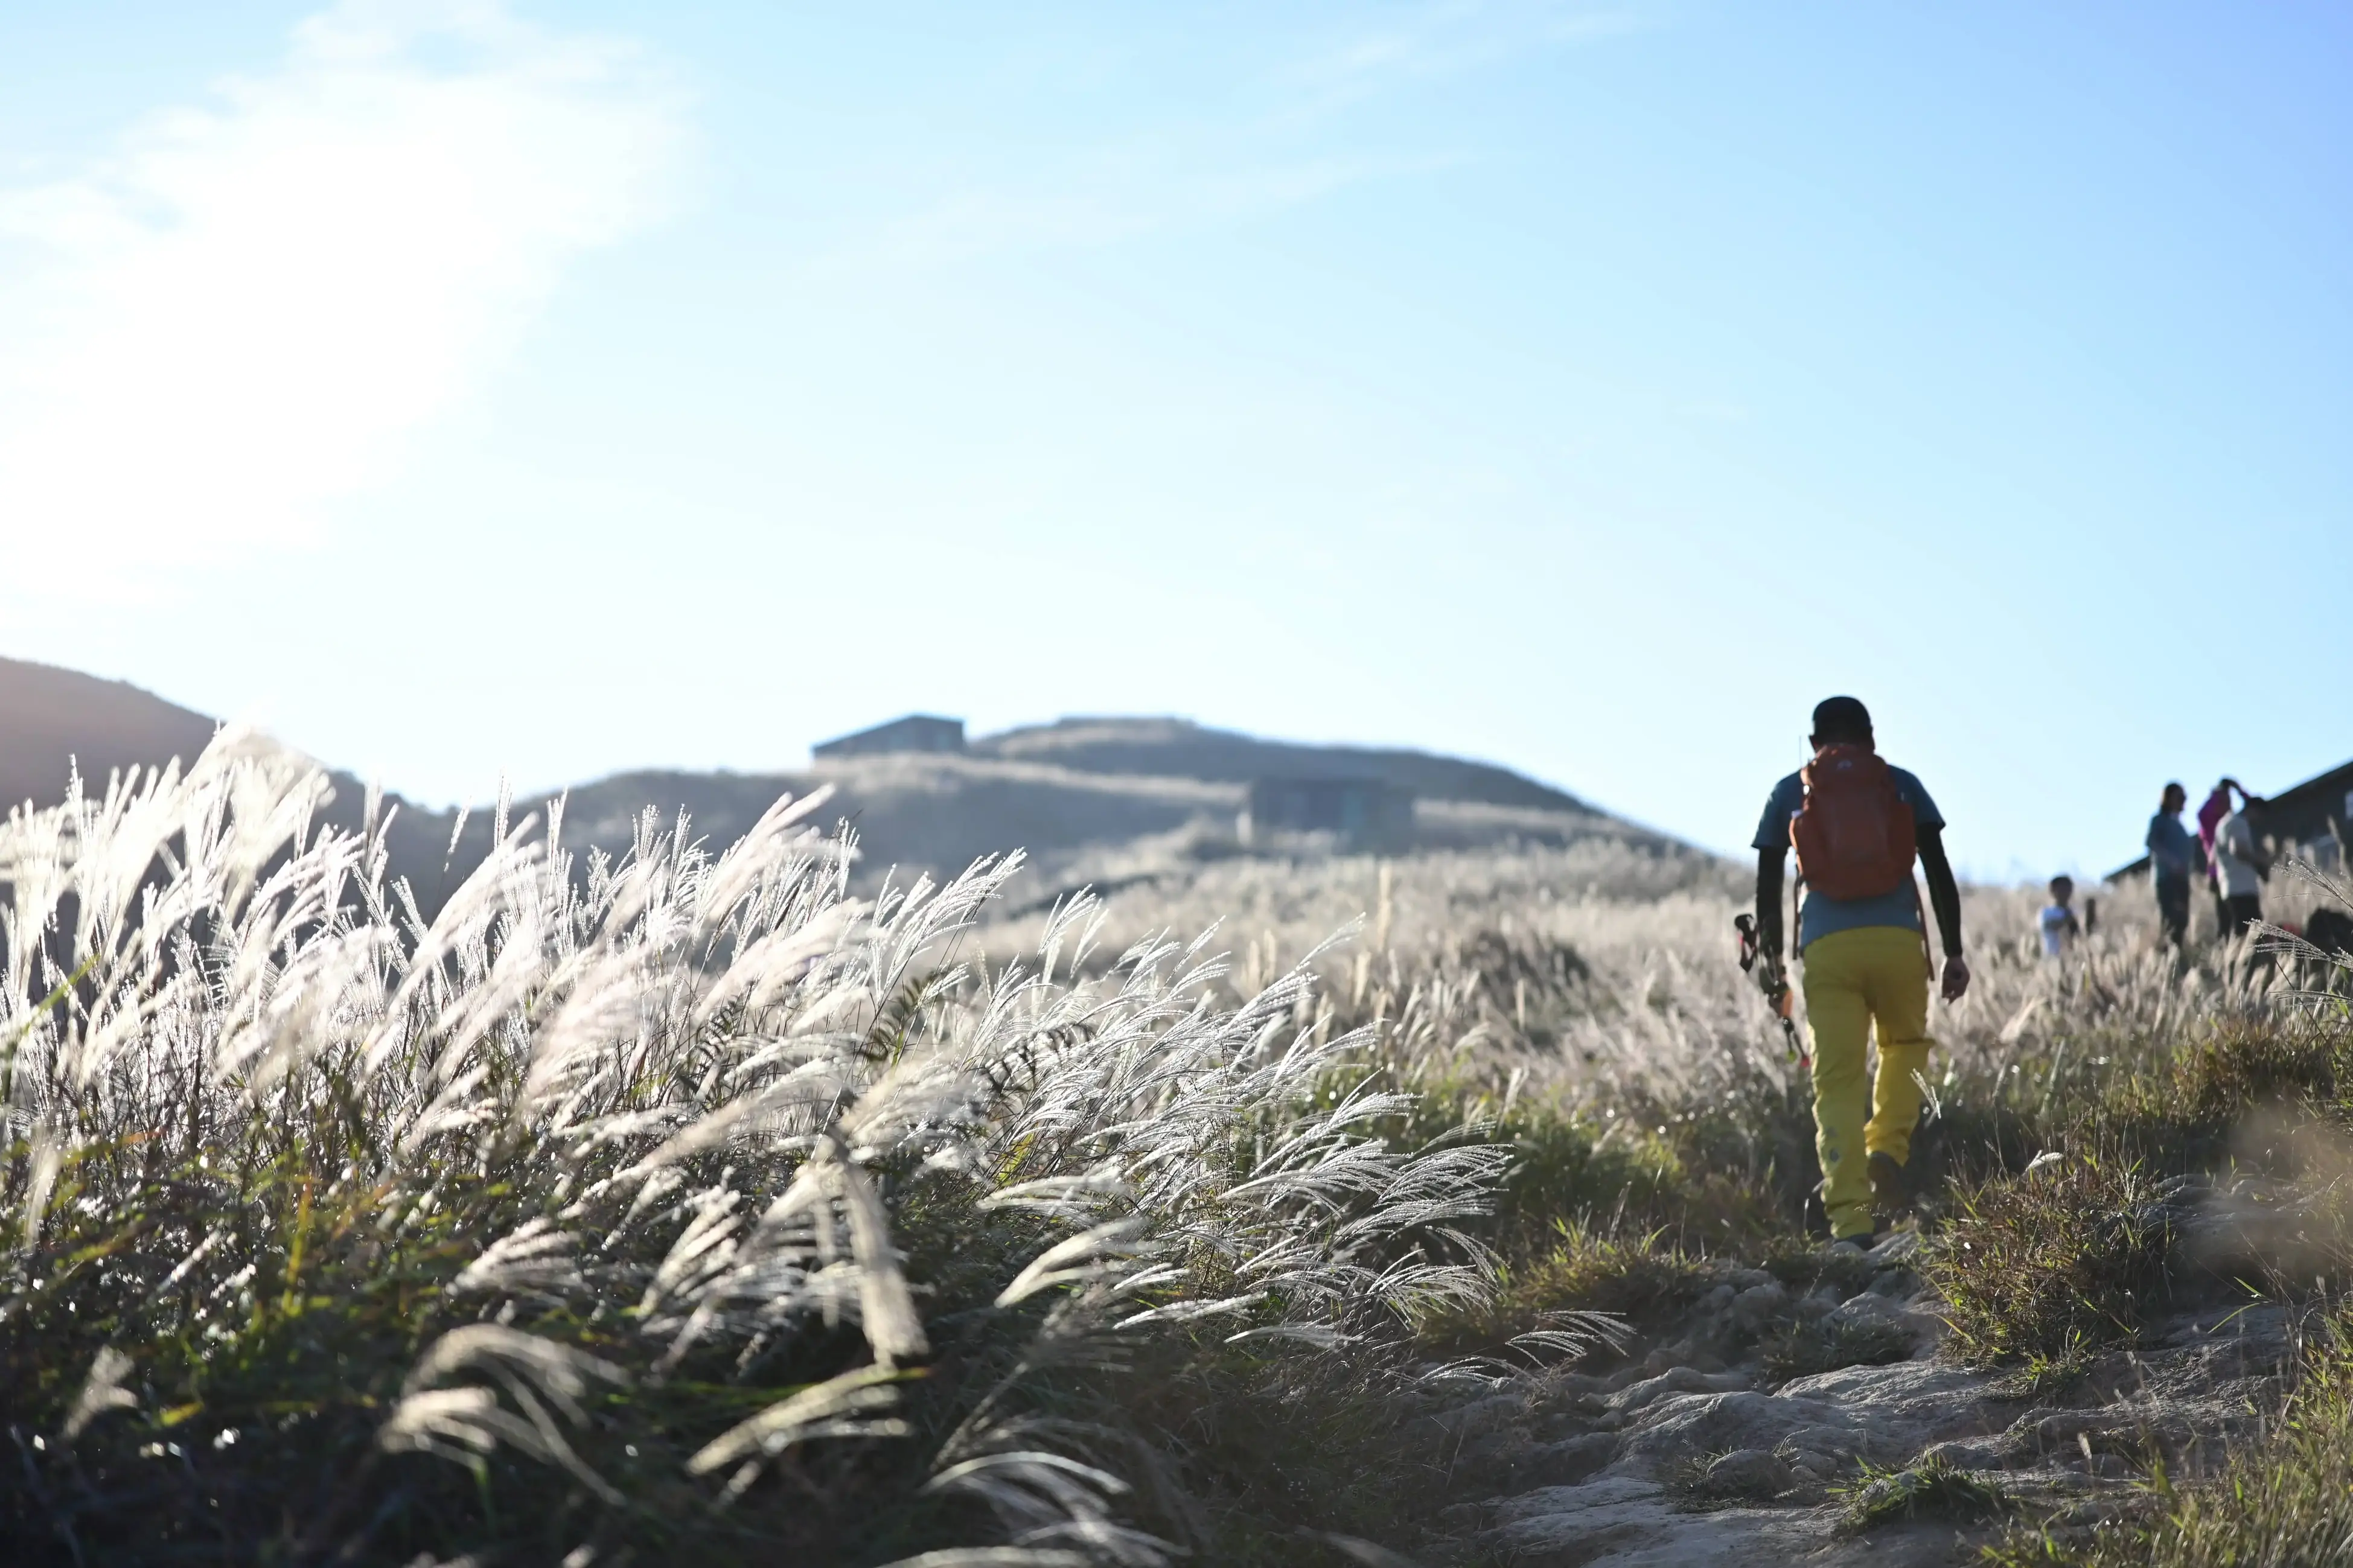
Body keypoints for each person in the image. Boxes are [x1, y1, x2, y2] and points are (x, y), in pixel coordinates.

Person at [1754, 696, 1968, 1251]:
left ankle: (1850, 1219)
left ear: (1812, 743)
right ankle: (1885, 1152)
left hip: (1827, 949)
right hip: (1898, 942)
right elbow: (1938, 870)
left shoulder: (1790, 791)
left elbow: (1767, 882)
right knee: (1903, 1047)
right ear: (1871, 737)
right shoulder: (1900, 784)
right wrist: (1954, 951)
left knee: (1838, 1080)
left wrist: (1773, 961)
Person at [2214, 787, 2268, 939]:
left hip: (2229, 887)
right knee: (2251, 936)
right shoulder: (2239, 823)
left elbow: (2213, 857)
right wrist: (2262, 861)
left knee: (2238, 935)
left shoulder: (2223, 823)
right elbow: (2239, 850)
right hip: (2242, 889)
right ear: (2254, 810)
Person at [2145, 783, 2195, 948]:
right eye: (2180, 797)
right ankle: (2168, 958)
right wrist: (2172, 862)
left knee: (2182, 921)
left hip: (2181, 879)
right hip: (2167, 880)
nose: (2184, 801)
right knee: (2172, 921)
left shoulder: (2179, 824)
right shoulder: (2160, 820)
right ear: (2169, 798)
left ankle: (2177, 956)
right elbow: (2152, 842)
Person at [2039, 876, 2081, 959]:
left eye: (2068, 889)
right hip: (2052, 958)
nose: (2065, 893)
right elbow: (2052, 925)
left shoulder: (2074, 911)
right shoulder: (2047, 913)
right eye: (2061, 889)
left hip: (2071, 958)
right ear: (2052, 891)